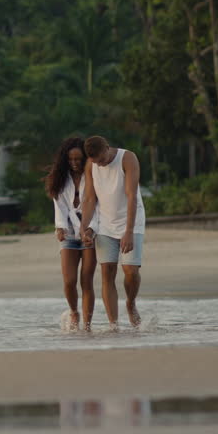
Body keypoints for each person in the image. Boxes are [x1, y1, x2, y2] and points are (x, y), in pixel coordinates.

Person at [77, 135, 145, 329]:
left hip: (132, 222)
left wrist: (129, 231)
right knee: (107, 271)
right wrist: (84, 228)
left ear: (108, 147)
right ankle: (113, 324)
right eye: (96, 162)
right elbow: (89, 199)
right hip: (106, 224)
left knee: (130, 271)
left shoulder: (127, 158)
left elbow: (132, 196)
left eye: (103, 159)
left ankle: (130, 303)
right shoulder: (92, 166)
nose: (101, 164)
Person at [46, 137, 99, 331]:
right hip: (68, 235)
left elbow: (99, 207)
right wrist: (60, 227)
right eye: (71, 160)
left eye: (79, 159)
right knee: (69, 281)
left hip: (89, 234)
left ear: (86, 158)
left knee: (87, 281)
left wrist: (91, 229)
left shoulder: (94, 178)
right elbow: (59, 206)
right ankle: (74, 311)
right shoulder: (60, 180)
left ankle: (87, 326)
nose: (75, 163)